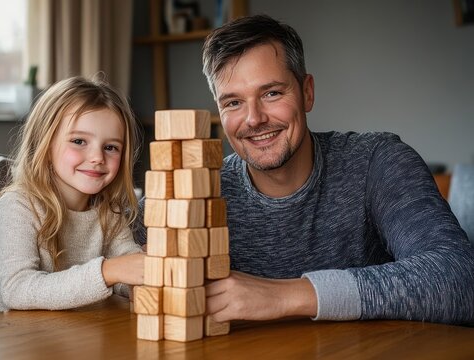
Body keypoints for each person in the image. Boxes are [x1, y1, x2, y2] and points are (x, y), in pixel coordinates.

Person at [135, 14, 474, 325]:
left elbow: (460, 278)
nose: (253, 119)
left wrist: (284, 295)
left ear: (307, 92)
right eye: (233, 102)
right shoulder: (193, 190)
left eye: (271, 93)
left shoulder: (378, 161)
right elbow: (116, 262)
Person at [0, 76, 144, 314]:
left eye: (111, 147)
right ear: (45, 145)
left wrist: (140, 274)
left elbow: (123, 268)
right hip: (12, 342)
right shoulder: (17, 206)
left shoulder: (109, 212)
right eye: (79, 141)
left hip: (73, 337)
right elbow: (16, 289)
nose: (98, 157)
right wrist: (109, 271)